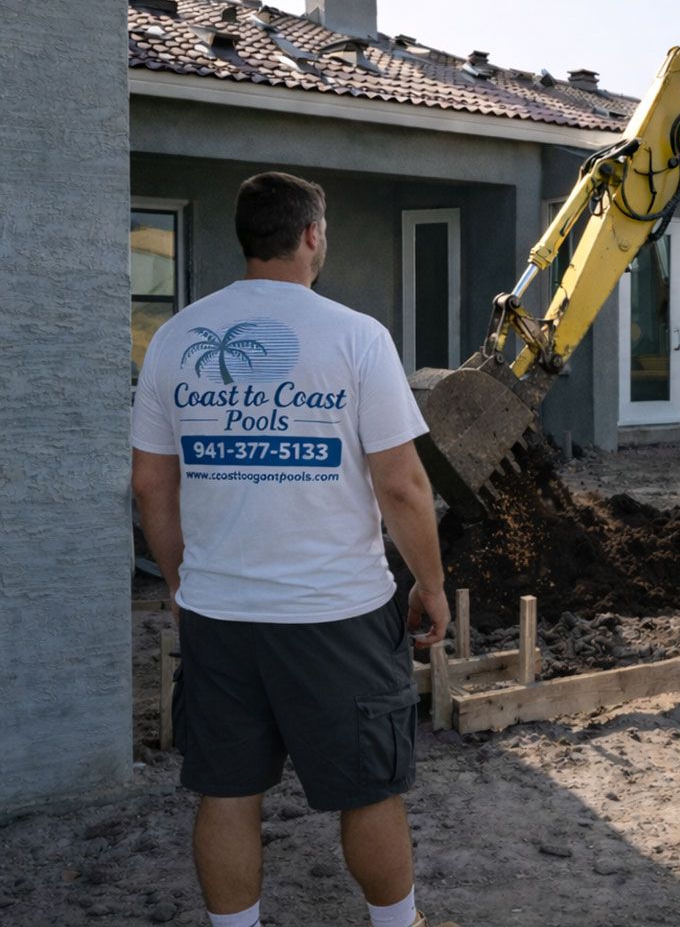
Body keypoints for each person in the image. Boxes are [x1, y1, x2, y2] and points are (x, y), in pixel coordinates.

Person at [131, 171, 451, 927]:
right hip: (336, 615)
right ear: (310, 235)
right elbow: (402, 485)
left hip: (217, 615)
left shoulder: (176, 338)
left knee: (228, 791)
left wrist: (181, 586)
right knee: (368, 788)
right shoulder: (355, 336)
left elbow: (150, 486)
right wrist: (430, 583)